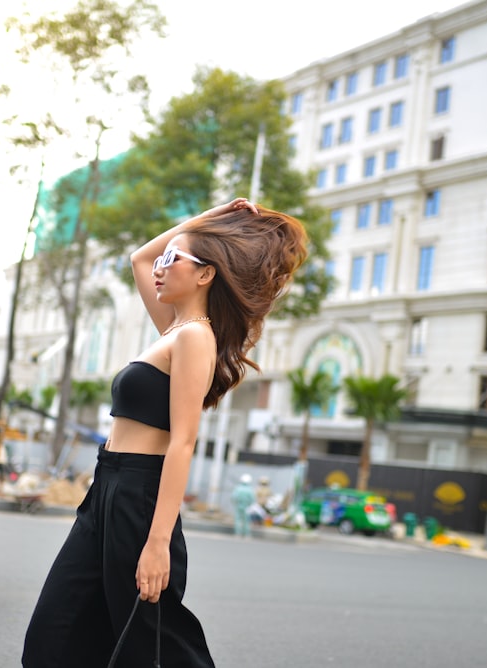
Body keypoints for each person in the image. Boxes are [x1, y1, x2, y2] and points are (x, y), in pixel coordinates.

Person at [22, 197, 308, 667]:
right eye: (164, 257)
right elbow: (138, 255)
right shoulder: (173, 329)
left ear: (205, 274)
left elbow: (183, 442)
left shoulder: (195, 337)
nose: (159, 265)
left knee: (149, 646)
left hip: (139, 498)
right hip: (105, 489)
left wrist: (157, 544)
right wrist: (214, 215)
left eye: (173, 259)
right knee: (54, 636)